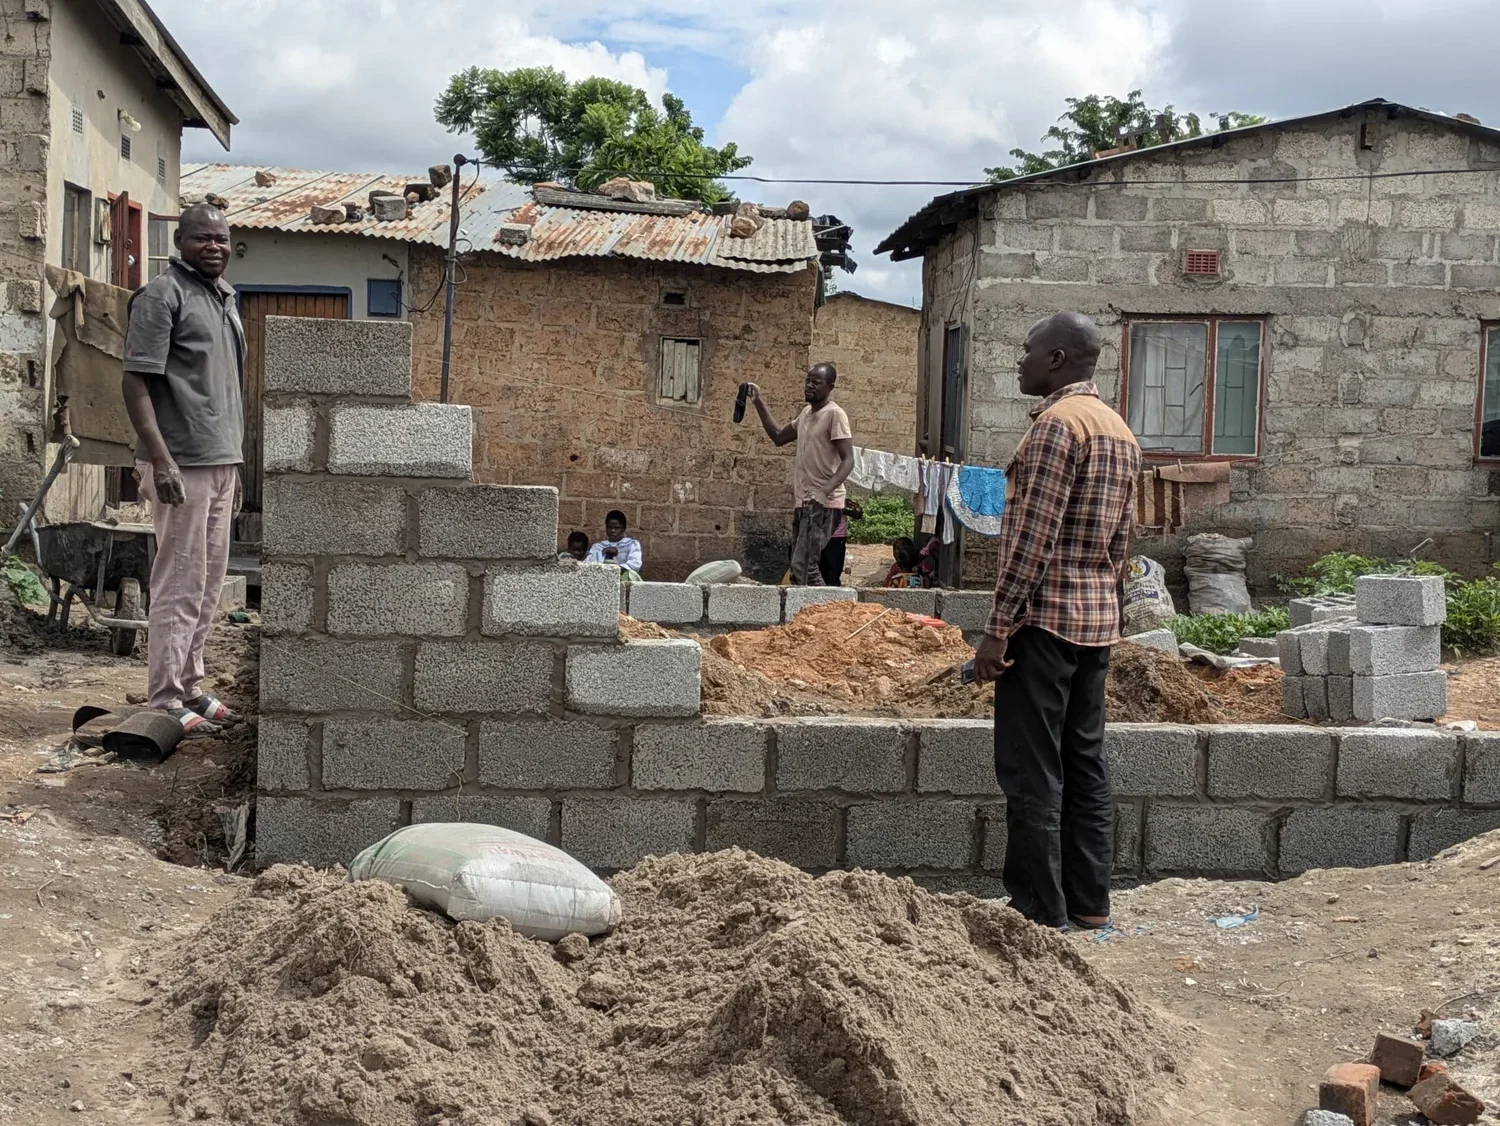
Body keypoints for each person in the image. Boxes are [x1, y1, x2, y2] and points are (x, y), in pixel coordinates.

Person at [972, 312, 1140, 932]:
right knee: (1085, 764)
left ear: (1058, 360)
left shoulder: (1054, 430)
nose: (1019, 361)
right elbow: (1123, 541)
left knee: (1032, 768)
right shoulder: (1119, 431)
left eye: (1027, 350)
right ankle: (1090, 904)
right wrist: (1111, 608)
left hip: (1043, 626)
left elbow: (1029, 545)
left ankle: (1041, 911)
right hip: (1095, 623)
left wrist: (998, 630)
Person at [121, 203, 245, 736]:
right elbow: (135, 382)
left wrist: (234, 464)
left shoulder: (224, 296)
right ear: (181, 242)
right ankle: (166, 695)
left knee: (209, 580)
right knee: (179, 579)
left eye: (221, 239)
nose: (213, 247)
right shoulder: (161, 295)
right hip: (181, 463)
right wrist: (161, 458)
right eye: (202, 239)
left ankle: (190, 683)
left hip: (220, 462)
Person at [746, 362, 853, 585]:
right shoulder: (805, 414)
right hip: (805, 502)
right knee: (800, 567)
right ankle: (811, 613)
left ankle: (825, 611)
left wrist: (824, 492)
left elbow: (848, 461)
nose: (809, 386)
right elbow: (778, 436)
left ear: (830, 386)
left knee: (804, 565)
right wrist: (758, 402)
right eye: (807, 381)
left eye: (816, 382)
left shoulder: (835, 415)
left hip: (824, 503)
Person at [585, 510, 643, 578]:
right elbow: (591, 565)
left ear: (624, 528)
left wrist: (614, 570)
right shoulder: (598, 547)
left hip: (623, 580)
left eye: (617, 528)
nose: (612, 531)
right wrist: (604, 551)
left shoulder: (631, 544)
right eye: (609, 527)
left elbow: (635, 565)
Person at [818, 498, 862, 586]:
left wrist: (854, 509)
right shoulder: (832, 498)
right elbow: (854, 513)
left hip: (828, 537)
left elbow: (857, 514)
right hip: (834, 538)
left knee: (827, 571)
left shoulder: (834, 496)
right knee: (831, 573)